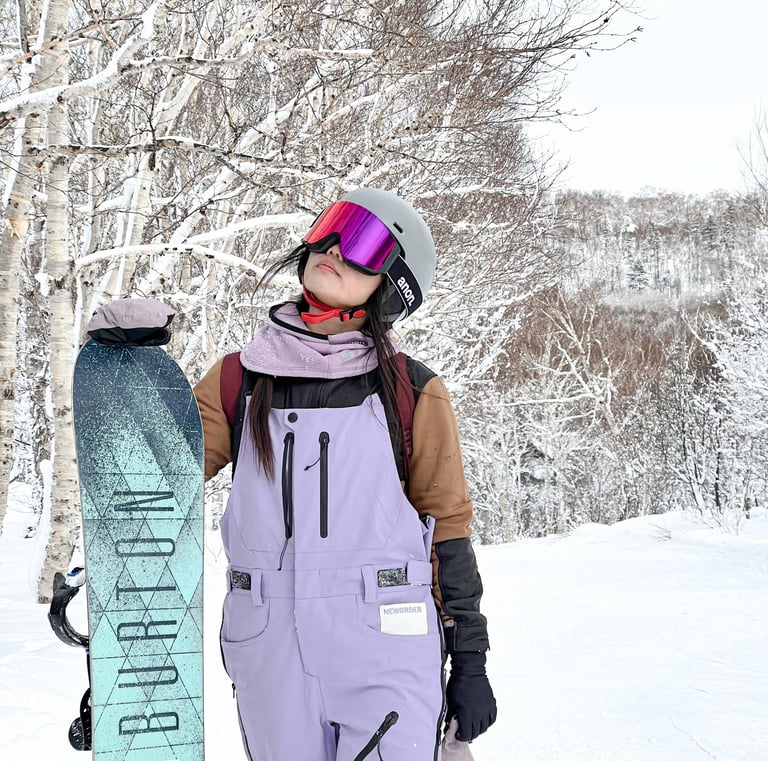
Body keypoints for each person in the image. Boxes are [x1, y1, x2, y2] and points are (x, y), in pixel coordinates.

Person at [193, 188, 496, 761]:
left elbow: (448, 529)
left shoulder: (410, 390)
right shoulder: (238, 381)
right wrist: (131, 381)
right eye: (331, 226)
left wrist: (471, 660)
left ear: (392, 284)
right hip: (269, 646)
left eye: (361, 242)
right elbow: (160, 480)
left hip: (385, 644)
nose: (332, 246)